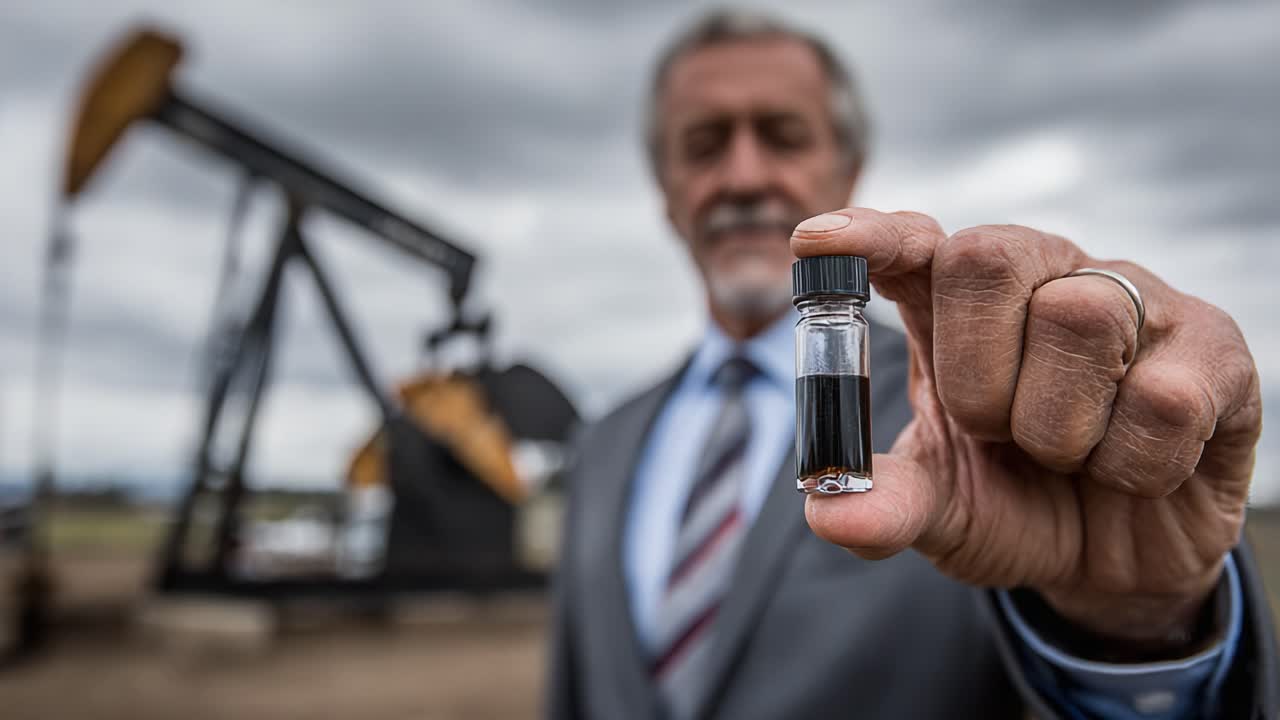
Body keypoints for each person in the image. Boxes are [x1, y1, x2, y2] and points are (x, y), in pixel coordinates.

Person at [547, 9, 1278, 720]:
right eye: (704, 144)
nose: (743, 176)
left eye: (784, 136)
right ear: (666, 192)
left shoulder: (979, 415)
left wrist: (1142, 624)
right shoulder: (606, 444)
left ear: (849, 169)